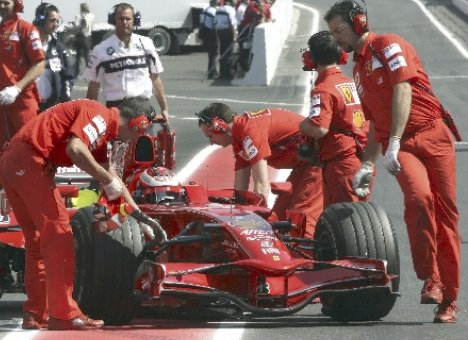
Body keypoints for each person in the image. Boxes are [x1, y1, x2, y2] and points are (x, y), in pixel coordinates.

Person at [325, 0, 460, 323]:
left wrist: (395, 139)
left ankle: (449, 300)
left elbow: (403, 89)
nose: (336, 39)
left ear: (357, 22)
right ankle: (432, 279)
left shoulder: (389, 45)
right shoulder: (357, 71)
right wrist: (367, 164)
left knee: (447, 215)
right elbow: (372, 123)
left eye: (338, 30)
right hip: (398, 144)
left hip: (431, 135)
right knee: (417, 199)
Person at [0, 97, 156, 330]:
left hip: (15, 161)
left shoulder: (101, 125)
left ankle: (36, 313)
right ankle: (65, 314)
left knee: (37, 242)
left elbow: (110, 175)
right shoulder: (99, 115)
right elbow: (76, 149)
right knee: (60, 237)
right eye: (140, 132)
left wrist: (138, 216)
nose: (136, 139)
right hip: (30, 162)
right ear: (138, 123)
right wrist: (105, 180)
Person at [195, 103, 323, 238]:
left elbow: (261, 186)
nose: (211, 142)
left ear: (219, 127)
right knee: (279, 217)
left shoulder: (250, 130)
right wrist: (236, 222)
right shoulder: (240, 138)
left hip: (319, 161)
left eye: (210, 136)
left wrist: (256, 228)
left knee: (300, 219)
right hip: (305, 165)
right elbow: (240, 192)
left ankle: (305, 255)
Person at [298, 31, 369, 207]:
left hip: (341, 164)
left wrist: (302, 125)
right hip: (361, 158)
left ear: (311, 58)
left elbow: (319, 128)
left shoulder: (323, 89)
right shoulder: (352, 82)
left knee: (344, 223)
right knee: (360, 219)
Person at [0, 0, 45, 150]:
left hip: (22, 102)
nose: (2, 6)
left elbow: (39, 64)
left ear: (16, 3)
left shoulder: (26, 29)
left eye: (6, 2)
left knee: (27, 149)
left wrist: (17, 88)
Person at [83, 2, 169, 123]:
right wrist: (90, 114)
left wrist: (164, 108)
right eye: (120, 18)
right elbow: (93, 85)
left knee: (145, 142)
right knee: (116, 142)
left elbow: (155, 78)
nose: (124, 22)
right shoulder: (100, 50)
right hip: (116, 109)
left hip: (142, 108)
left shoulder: (147, 44)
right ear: (113, 20)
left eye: (128, 19)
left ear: (135, 20)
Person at [33, 3, 73, 111]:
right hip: (30, 105)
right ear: (41, 20)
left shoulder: (59, 48)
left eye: (57, 21)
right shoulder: (26, 46)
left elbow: (68, 77)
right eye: (52, 20)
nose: (55, 24)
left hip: (52, 106)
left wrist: (64, 101)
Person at [71, 3, 94, 77]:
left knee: (78, 56)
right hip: (88, 37)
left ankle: (76, 72)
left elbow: (76, 27)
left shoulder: (78, 16)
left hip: (80, 37)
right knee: (87, 56)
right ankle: (89, 72)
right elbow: (92, 27)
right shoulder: (92, 16)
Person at [215, 0, 236, 80]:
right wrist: (234, 36)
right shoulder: (231, 10)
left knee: (222, 52)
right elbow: (232, 24)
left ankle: (222, 73)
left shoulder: (219, 9)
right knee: (229, 53)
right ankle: (228, 74)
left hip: (220, 32)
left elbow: (215, 22)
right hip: (228, 32)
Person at [199, 0, 219, 79]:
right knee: (214, 53)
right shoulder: (214, 11)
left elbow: (201, 22)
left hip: (205, 33)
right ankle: (212, 72)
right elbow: (215, 24)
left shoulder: (204, 10)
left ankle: (212, 70)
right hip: (212, 33)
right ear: (215, 3)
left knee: (210, 54)